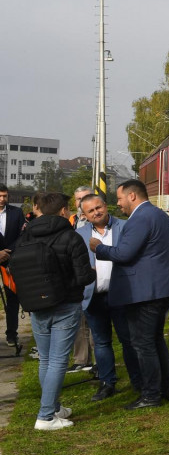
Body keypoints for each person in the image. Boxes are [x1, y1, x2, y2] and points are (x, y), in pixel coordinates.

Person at [90, 180, 169, 410]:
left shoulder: (139, 218)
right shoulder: (159, 215)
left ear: (132, 196)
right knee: (156, 341)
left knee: (143, 344)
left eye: (119, 199)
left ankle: (150, 395)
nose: (117, 204)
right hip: (160, 288)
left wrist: (98, 247)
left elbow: (124, 253)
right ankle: (162, 389)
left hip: (144, 292)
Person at [17, 192, 95, 430]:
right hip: (66, 304)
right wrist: (92, 271)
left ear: (39, 209)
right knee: (59, 360)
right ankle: (46, 416)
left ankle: (53, 406)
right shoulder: (70, 237)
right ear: (63, 211)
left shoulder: (26, 235)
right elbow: (83, 276)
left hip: (37, 305)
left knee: (46, 359)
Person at [77, 193, 140, 401]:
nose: (96, 212)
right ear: (84, 215)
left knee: (128, 340)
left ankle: (137, 380)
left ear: (105, 205)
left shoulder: (125, 227)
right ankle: (107, 383)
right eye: (91, 211)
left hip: (122, 295)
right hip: (94, 296)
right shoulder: (79, 234)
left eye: (98, 207)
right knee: (101, 342)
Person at [67, 186, 95, 373]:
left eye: (84, 197)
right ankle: (80, 359)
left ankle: (97, 359)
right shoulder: (72, 221)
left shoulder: (95, 220)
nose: (80, 202)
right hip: (76, 275)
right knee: (78, 320)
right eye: (78, 199)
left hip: (92, 272)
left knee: (93, 320)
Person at [0, 184, 27, 348]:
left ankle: (12, 334)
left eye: (5, 196)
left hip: (10, 259)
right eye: (0, 196)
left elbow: (22, 235)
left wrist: (8, 252)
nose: (2, 199)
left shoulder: (16, 213)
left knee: (12, 299)